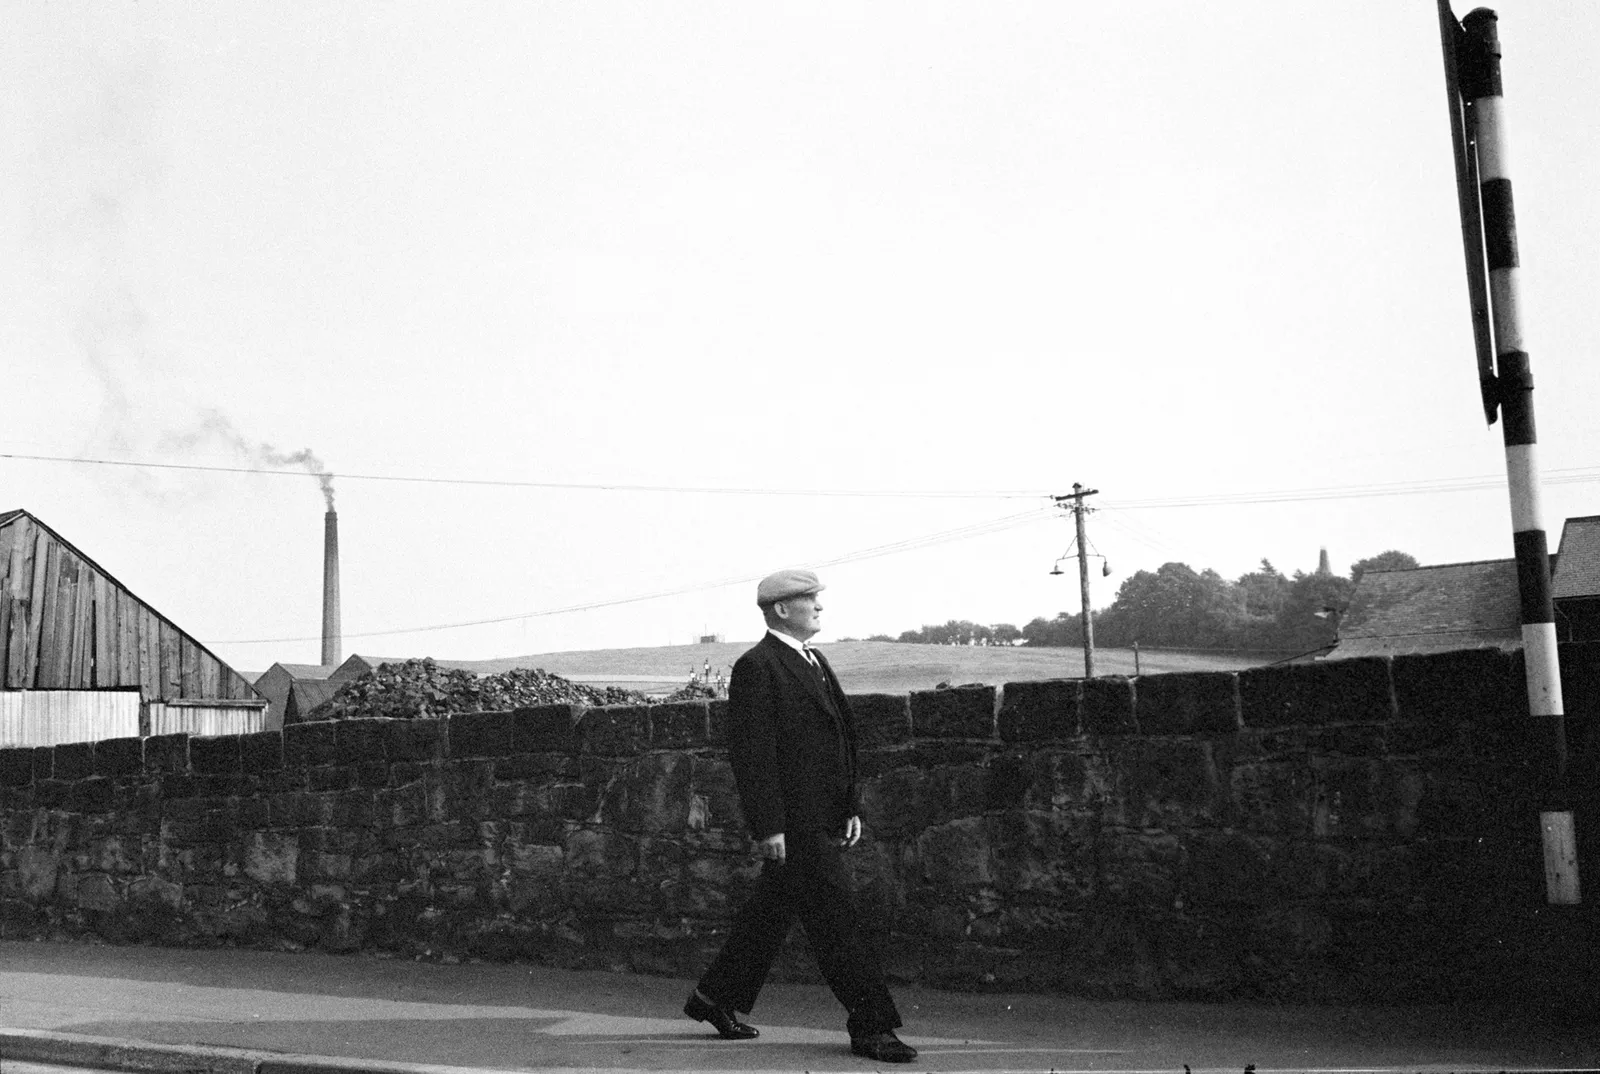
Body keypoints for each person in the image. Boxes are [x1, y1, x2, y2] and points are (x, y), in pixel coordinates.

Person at [683, 569, 916, 1064]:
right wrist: (769, 825)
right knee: (837, 918)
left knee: (772, 911)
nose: (819, 607)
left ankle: (712, 997)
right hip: (794, 823)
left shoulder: (814, 659)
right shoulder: (757, 666)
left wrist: (850, 805)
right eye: (810, 599)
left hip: (823, 815)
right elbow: (753, 754)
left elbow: (840, 738)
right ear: (782, 609)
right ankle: (871, 1025)